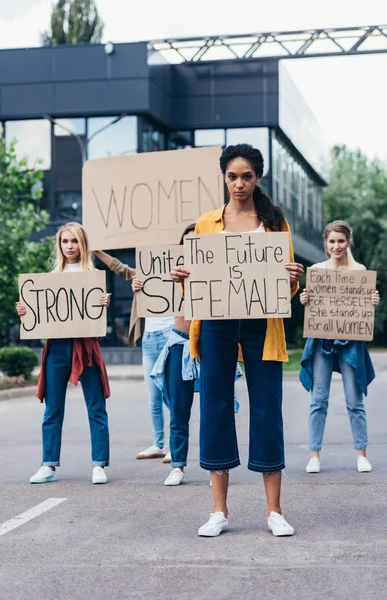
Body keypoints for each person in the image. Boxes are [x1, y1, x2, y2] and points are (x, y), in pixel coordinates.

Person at [170, 144, 303, 537]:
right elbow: (198, 276)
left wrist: (293, 280)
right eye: (232, 176)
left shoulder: (275, 222)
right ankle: (218, 511)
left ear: (257, 177)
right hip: (216, 324)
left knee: (267, 409)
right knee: (214, 407)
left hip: (262, 324)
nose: (239, 184)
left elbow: (286, 288)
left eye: (246, 176)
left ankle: (274, 511)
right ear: (224, 178)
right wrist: (184, 278)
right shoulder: (206, 224)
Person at [147, 224, 243, 487]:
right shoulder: (174, 273)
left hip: (211, 343)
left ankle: (216, 468)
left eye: (197, 241)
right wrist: (139, 287)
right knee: (179, 409)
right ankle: (178, 465)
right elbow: (151, 298)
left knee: (214, 409)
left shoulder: (220, 271)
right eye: (187, 242)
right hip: (179, 343)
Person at [16, 222, 111, 484]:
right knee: (53, 408)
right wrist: (27, 311)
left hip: (86, 346)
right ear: (59, 245)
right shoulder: (51, 277)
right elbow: (41, 313)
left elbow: (97, 322)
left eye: (74, 241)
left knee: (96, 406)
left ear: (83, 244)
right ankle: (48, 464)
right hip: (57, 346)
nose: (69, 246)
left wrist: (104, 305)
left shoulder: (93, 276)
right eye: (65, 242)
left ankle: (99, 464)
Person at [299, 220, 380, 474]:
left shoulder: (359, 272)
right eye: (332, 241)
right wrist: (305, 299)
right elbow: (313, 305)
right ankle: (314, 455)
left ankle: (361, 454)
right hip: (322, 340)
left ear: (348, 242)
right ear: (326, 243)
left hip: (350, 343)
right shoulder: (317, 270)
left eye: (341, 241)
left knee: (354, 400)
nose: (336, 246)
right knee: (318, 399)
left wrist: (372, 300)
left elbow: (363, 308)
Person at [95, 249, 174, 461]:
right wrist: (96, 250)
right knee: (153, 398)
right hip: (149, 339)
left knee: (172, 395)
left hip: (171, 337)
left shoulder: (180, 273)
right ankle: (158, 444)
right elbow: (118, 267)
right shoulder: (142, 275)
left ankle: (175, 446)